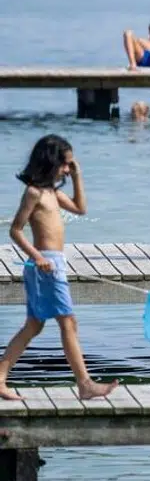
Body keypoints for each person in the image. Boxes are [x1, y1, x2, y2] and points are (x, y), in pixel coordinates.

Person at [1, 135, 118, 401]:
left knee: (34, 325)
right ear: (50, 162)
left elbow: (80, 208)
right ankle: (85, 384)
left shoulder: (53, 193)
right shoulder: (34, 193)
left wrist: (78, 176)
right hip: (44, 265)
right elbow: (15, 230)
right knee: (68, 321)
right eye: (65, 164)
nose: (67, 169)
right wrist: (37, 257)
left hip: (53, 263)